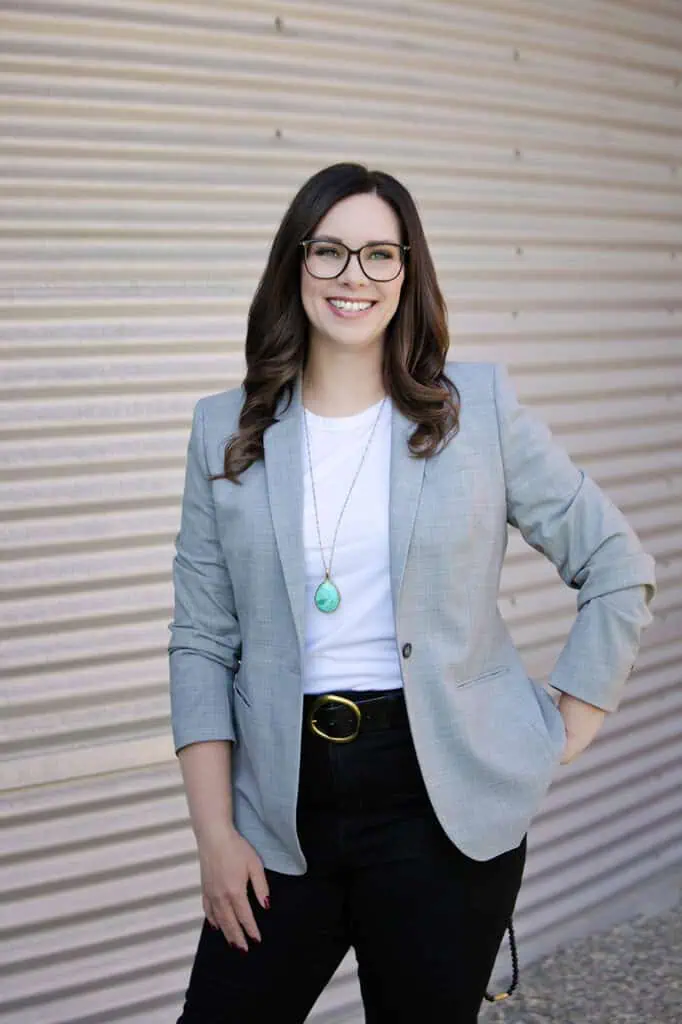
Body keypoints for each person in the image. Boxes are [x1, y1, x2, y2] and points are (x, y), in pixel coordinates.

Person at [168, 162, 656, 1023]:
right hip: (281, 805)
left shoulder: (478, 412)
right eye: (329, 251)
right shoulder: (225, 428)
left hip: (440, 806)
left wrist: (561, 731)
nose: (353, 276)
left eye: (379, 254)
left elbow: (616, 563)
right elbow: (203, 640)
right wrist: (215, 835)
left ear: (408, 272)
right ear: (295, 265)